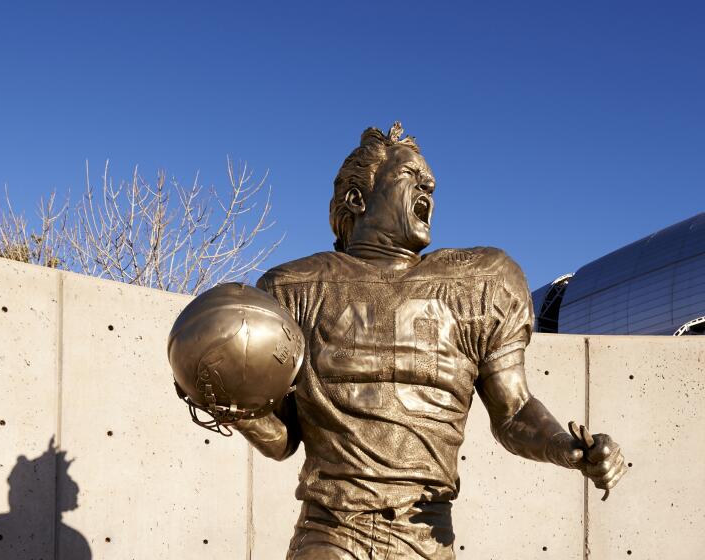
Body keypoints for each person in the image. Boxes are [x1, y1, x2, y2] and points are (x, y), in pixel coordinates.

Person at [234, 123, 626, 560]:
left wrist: (565, 446)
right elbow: (282, 439)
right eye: (408, 175)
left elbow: (513, 410)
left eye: (429, 180)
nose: (429, 184)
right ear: (357, 200)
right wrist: (229, 402)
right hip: (329, 534)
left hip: (424, 537)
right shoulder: (293, 290)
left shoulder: (480, 284)